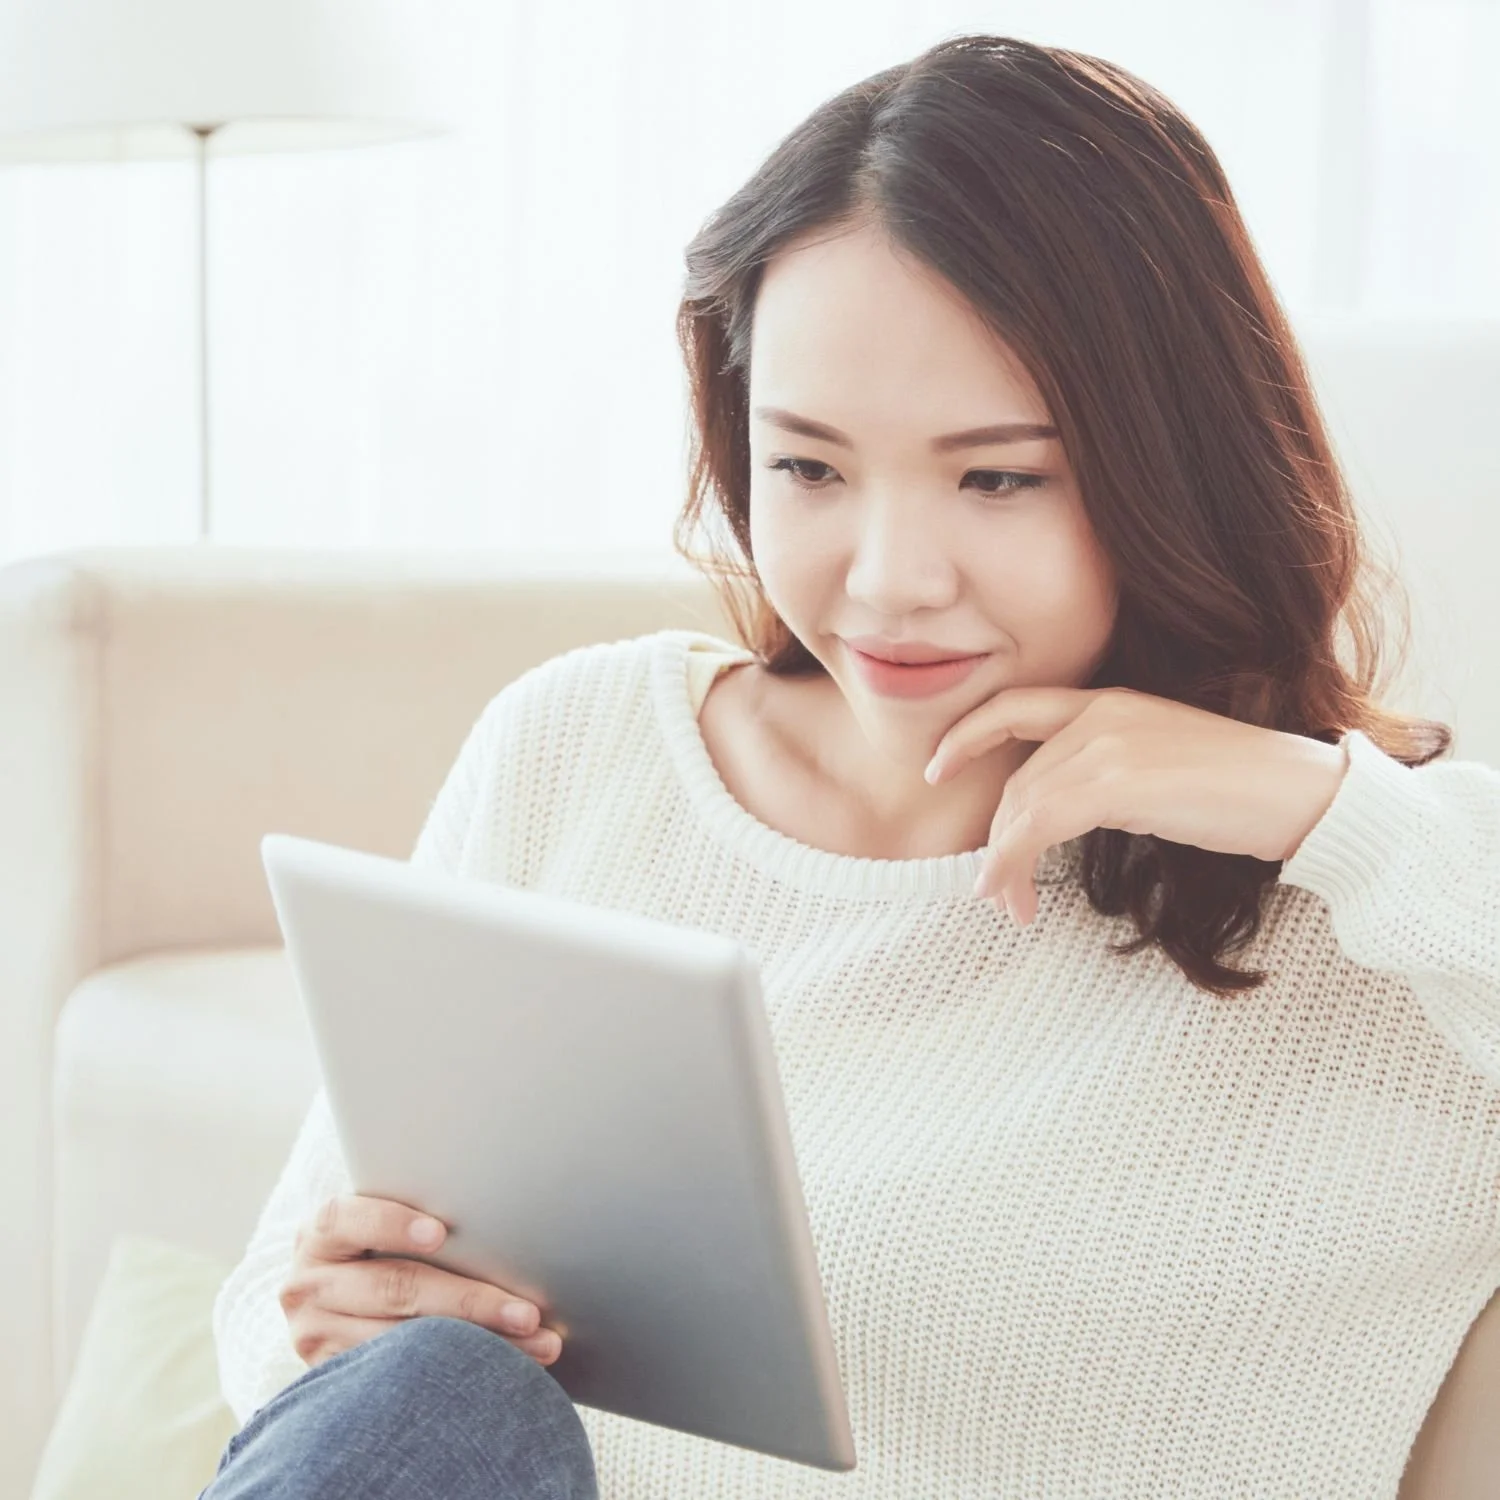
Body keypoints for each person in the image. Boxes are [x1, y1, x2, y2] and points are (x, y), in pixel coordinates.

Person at [202, 31, 1500, 1500]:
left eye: (998, 477)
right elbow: (275, 1329)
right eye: (809, 468)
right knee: (436, 1393)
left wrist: (1316, 808)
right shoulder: (583, 747)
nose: (887, 582)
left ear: (1177, 470)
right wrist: (334, 1326)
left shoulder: (1389, 915)